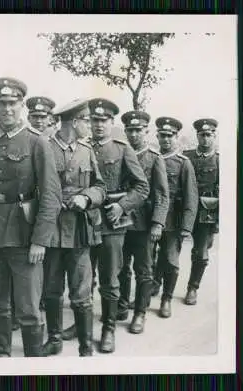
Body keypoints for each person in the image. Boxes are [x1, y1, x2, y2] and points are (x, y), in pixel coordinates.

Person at [0, 77, 62, 357]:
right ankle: (2, 356)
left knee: (29, 306)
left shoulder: (37, 143)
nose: (6, 109)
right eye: (1, 103)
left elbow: (51, 196)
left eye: (12, 103)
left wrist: (40, 240)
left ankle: (32, 361)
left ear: (21, 106)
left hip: (23, 233)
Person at [41, 98, 106, 357]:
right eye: (86, 120)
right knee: (52, 289)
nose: (90, 125)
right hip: (53, 230)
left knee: (81, 293)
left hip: (80, 232)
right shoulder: (44, 148)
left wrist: (87, 197)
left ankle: (85, 348)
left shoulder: (86, 150)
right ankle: (54, 339)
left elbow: (100, 187)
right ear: (72, 122)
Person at [86, 98, 149, 353]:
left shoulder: (122, 149)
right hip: (85, 222)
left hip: (112, 223)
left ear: (112, 122)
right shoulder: (82, 146)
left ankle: (108, 328)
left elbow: (141, 186)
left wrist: (123, 206)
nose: (98, 124)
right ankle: (85, 322)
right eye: (94, 120)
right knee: (83, 277)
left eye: (103, 120)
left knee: (110, 278)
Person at [117, 111, 169, 334]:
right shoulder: (118, 153)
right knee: (120, 267)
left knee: (144, 270)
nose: (134, 134)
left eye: (138, 130)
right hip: (119, 221)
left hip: (143, 223)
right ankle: (121, 306)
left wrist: (158, 222)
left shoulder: (154, 158)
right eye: (130, 130)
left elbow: (162, 194)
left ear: (146, 132)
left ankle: (140, 312)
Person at [154, 116, 198, 318]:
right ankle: (150, 289)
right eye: (162, 136)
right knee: (148, 260)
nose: (166, 140)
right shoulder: (152, 158)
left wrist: (187, 226)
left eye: (170, 136)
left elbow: (191, 196)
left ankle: (166, 299)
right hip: (150, 218)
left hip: (172, 221)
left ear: (177, 137)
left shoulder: (183, 163)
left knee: (171, 260)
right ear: (157, 136)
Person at [183, 119, 219, 306]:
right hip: (183, 209)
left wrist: (216, 225)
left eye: (208, 135)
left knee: (201, 252)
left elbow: (223, 192)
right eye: (201, 135)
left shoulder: (219, 160)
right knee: (168, 247)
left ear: (214, 135)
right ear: (196, 136)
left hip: (206, 213)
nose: (205, 138)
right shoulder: (187, 156)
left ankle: (193, 287)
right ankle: (157, 283)